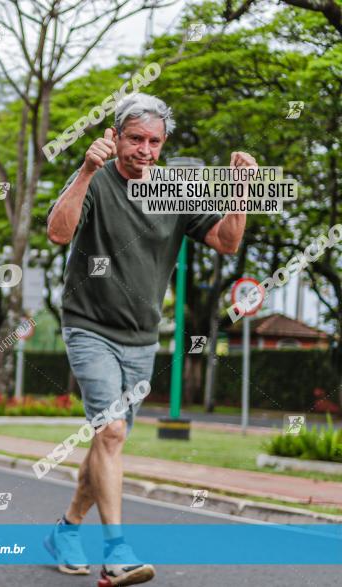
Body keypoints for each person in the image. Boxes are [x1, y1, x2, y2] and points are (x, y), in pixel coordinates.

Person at [45, 93, 254, 586]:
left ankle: (67, 527)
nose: (144, 150)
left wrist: (240, 190)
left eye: (154, 141)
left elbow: (227, 241)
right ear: (115, 136)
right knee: (112, 433)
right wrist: (82, 172)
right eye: (134, 138)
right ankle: (117, 552)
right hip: (89, 326)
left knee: (106, 442)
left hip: (141, 337)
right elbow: (58, 232)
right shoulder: (95, 179)